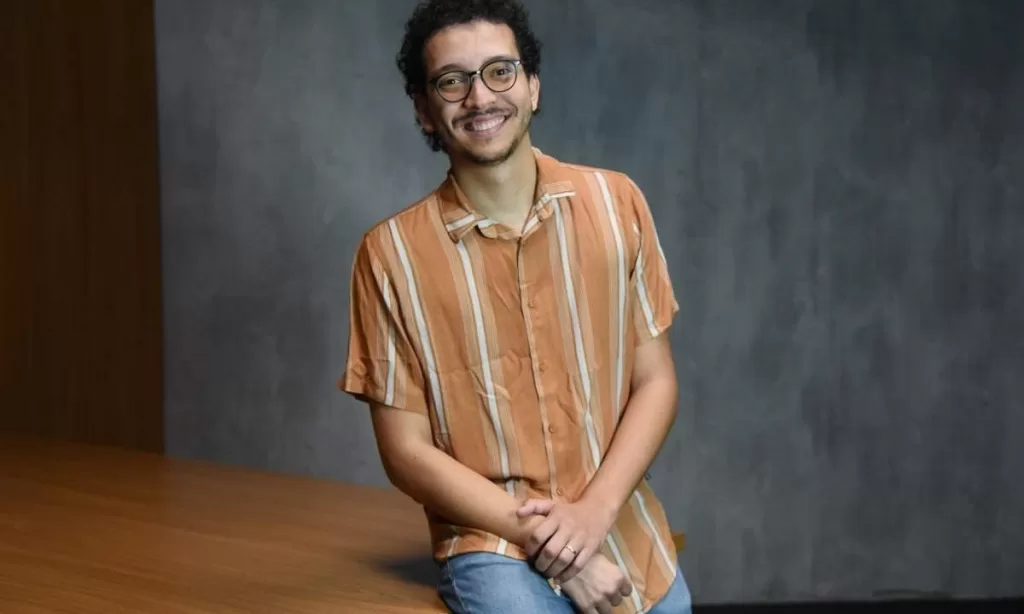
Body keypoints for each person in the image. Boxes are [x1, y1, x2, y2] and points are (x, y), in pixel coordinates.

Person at [340, 1, 691, 612]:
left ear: (532, 86)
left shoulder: (618, 205)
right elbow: (405, 450)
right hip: (491, 541)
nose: (480, 97)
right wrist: (545, 538)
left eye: (500, 72)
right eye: (452, 80)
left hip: (619, 520)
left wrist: (591, 516)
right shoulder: (389, 256)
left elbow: (656, 381)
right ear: (425, 107)